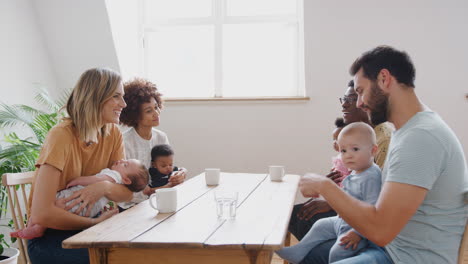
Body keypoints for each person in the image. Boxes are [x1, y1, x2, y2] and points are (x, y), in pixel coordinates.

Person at [299, 46, 468, 264]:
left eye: (360, 91)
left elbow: (380, 230)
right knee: (309, 253)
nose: (359, 102)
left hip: (405, 258)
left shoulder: (421, 137)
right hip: (390, 248)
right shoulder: (407, 129)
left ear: (384, 79)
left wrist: (324, 186)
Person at [27, 68, 134, 264]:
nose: (123, 104)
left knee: (145, 246)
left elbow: (126, 193)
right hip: (51, 237)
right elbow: (41, 214)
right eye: (116, 96)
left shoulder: (113, 133)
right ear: (96, 97)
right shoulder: (62, 135)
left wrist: (102, 187)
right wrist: (93, 222)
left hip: (92, 229)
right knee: (121, 258)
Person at [289, 80, 393, 241]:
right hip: (349, 200)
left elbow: (376, 192)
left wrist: (332, 202)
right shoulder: (360, 132)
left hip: (364, 210)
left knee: (301, 216)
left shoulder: (383, 139)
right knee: (296, 213)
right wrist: (330, 186)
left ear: (370, 103)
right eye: (344, 99)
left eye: (351, 99)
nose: (344, 105)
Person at [277, 122, 381, 263]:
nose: (348, 155)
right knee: (321, 225)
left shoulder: (372, 177)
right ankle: (298, 251)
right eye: (343, 151)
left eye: (355, 149)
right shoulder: (356, 172)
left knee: (337, 251)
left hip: (356, 227)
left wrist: (358, 234)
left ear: (373, 151)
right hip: (341, 220)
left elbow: (373, 212)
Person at [12, 159, 149, 239]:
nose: (121, 160)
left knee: (50, 204)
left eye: (125, 165)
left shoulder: (113, 176)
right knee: (52, 208)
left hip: (79, 201)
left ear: (126, 179)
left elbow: (96, 179)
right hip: (89, 209)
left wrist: (78, 180)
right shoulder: (121, 182)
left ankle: (36, 228)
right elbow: (127, 195)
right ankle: (38, 227)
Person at [118, 78, 187, 210]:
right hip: (131, 205)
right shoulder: (125, 141)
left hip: (158, 200)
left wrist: (180, 174)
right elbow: (127, 188)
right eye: (149, 111)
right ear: (135, 115)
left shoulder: (161, 137)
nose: (156, 113)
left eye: (156, 107)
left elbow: (167, 168)